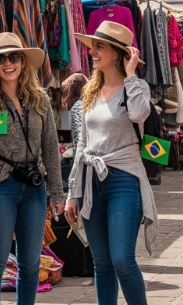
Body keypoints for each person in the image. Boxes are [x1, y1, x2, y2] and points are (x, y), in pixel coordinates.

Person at [65, 21, 157, 305]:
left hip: (124, 179)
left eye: (99, 46)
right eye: (93, 46)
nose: (92, 52)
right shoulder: (91, 89)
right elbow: (82, 142)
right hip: (91, 180)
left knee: (122, 260)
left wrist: (130, 75)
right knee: (101, 262)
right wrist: (72, 192)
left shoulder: (137, 87)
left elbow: (140, 115)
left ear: (118, 53)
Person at [0, 32, 65, 305]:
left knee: (30, 263)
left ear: (23, 61)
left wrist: (57, 193)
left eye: (14, 57)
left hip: (34, 188)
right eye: (0, 59)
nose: (8, 63)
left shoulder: (40, 98)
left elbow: (50, 147)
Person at [62, 73, 89, 161]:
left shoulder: (77, 107)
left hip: (84, 162)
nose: (64, 99)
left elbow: (79, 137)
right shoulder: (88, 103)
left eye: (64, 94)